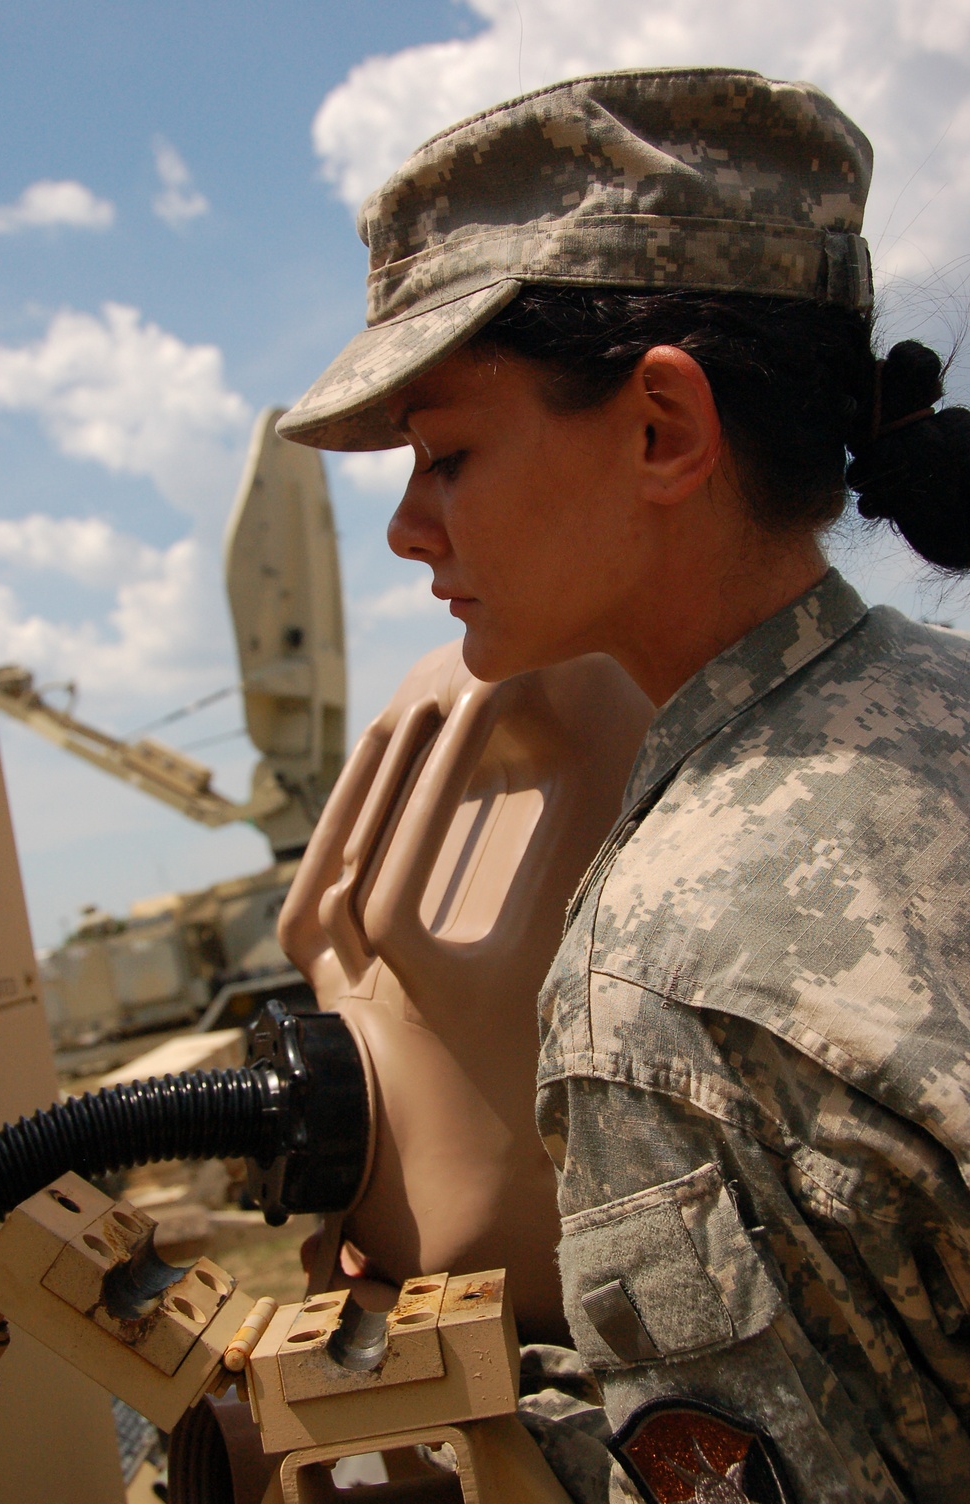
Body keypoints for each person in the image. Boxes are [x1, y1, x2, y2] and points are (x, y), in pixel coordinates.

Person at [276, 68, 970, 1503]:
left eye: (447, 452)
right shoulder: (938, 710)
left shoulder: (661, 976)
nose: (411, 529)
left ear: (663, 426)